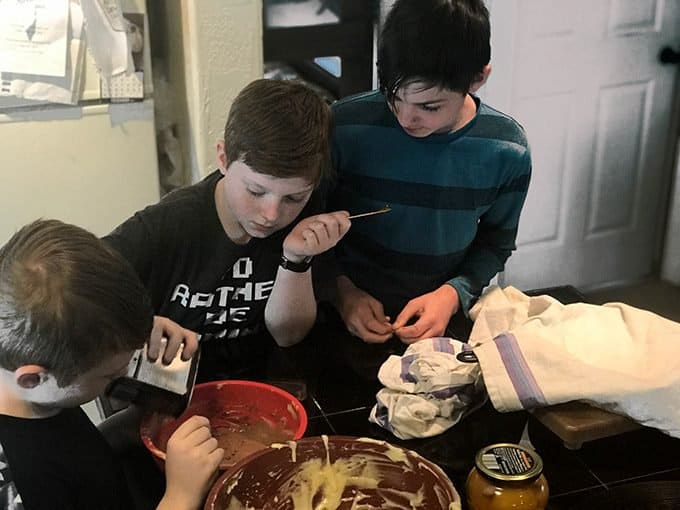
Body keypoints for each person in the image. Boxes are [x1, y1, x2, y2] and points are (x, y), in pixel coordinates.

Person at [104, 78, 351, 381]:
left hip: (260, 379)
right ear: (223, 159)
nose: (272, 214)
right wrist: (137, 327)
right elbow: (75, 290)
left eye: (294, 197)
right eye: (256, 191)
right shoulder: (170, 224)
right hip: (168, 384)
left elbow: (288, 335)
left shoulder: (309, 216)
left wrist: (295, 261)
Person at [329, 0, 532, 345]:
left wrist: (453, 295)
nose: (406, 118)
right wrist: (340, 292)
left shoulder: (506, 149)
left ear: (478, 78)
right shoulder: (343, 127)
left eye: (429, 106)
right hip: (341, 317)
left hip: (446, 323)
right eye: (393, 97)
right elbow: (303, 231)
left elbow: (496, 243)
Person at [0, 219, 224, 510]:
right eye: (110, 376)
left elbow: (74, 450)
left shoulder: (36, 379)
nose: (123, 376)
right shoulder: (21, 487)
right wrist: (180, 497)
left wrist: (136, 422)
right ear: (32, 379)